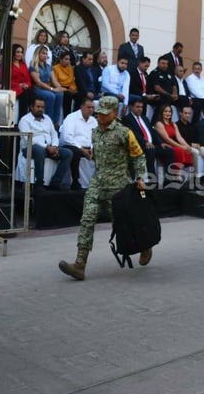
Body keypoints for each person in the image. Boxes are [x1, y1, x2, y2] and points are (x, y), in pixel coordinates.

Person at [58, 96, 148, 280]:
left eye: (104, 114)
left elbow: (138, 156)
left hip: (118, 188)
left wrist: (140, 177)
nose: (99, 117)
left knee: (124, 224)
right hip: (97, 184)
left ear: (114, 113)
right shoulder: (95, 132)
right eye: (98, 113)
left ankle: (145, 246)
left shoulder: (124, 133)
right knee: (87, 219)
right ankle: (80, 264)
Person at [18, 97, 74, 191]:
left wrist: (55, 146)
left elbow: (54, 134)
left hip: (49, 148)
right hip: (30, 148)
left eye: (42, 107)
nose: (40, 109)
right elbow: (28, 139)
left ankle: (55, 183)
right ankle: (39, 183)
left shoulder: (47, 118)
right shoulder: (25, 120)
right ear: (31, 107)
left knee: (68, 153)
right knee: (39, 150)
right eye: (38, 106)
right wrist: (47, 147)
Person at [122, 98, 173, 176]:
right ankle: (151, 177)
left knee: (169, 150)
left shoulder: (144, 118)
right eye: (137, 107)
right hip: (139, 146)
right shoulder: (127, 119)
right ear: (131, 107)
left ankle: (169, 177)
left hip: (151, 145)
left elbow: (152, 133)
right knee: (150, 150)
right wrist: (145, 142)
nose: (140, 109)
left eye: (141, 107)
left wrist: (161, 143)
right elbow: (133, 134)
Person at [59, 98, 98, 190]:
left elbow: (96, 137)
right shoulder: (72, 117)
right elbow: (67, 137)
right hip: (70, 145)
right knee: (75, 152)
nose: (91, 110)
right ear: (81, 107)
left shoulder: (93, 121)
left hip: (88, 147)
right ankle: (76, 181)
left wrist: (92, 149)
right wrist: (82, 149)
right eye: (88, 107)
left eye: (92, 107)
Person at [29, 46, 65, 125]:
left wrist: (59, 88)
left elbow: (54, 80)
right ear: (37, 54)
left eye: (46, 54)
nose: (45, 55)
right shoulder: (33, 66)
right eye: (43, 53)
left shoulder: (48, 66)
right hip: (37, 88)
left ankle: (56, 121)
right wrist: (52, 89)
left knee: (59, 94)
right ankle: (49, 120)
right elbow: (38, 82)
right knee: (50, 96)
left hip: (47, 88)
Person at [153, 104, 194, 173]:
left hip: (173, 144)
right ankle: (175, 174)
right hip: (165, 145)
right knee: (180, 150)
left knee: (187, 150)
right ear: (161, 112)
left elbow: (179, 137)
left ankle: (178, 172)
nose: (168, 113)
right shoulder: (159, 123)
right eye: (165, 111)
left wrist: (187, 146)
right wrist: (181, 146)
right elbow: (167, 139)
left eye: (169, 112)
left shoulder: (173, 124)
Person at [177, 105, 204, 178]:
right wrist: (191, 144)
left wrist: (197, 144)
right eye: (185, 113)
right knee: (196, 152)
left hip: (193, 146)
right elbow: (178, 140)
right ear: (180, 113)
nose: (188, 115)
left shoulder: (190, 125)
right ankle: (196, 176)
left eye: (189, 113)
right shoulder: (177, 125)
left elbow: (193, 138)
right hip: (183, 147)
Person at [8, 43, 33, 120]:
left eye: (21, 52)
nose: (20, 54)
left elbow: (28, 79)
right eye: (17, 52)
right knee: (25, 93)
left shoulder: (23, 64)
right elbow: (6, 80)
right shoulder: (8, 65)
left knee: (33, 93)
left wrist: (26, 85)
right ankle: (22, 119)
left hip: (24, 88)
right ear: (13, 53)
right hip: (13, 87)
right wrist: (19, 85)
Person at [148, 56, 176, 122]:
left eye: (166, 64)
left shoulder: (168, 73)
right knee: (163, 101)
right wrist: (169, 95)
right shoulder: (154, 73)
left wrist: (175, 94)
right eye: (163, 63)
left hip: (168, 97)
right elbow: (157, 88)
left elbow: (174, 85)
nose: (165, 65)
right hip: (157, 96)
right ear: (158, 63)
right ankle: (154, 123)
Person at [52, 53, 78, 117]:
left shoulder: (70, 68)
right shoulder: (55, 68)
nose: (68, 61)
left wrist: (73, 89)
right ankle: (66, 116)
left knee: (79, 95)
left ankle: (75, 117)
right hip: (60, 87)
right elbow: (55, 82)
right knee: (68, 95)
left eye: (69, 59)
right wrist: (67, 89)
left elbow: (72, 81)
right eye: (66, 59)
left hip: (69, 87)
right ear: (60, 60)